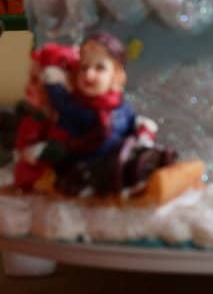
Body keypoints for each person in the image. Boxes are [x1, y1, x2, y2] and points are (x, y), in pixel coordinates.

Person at [39, 32, 178, 198]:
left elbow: (130, 125)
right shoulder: (75, 106)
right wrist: (53, 83)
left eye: (100, 68)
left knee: (139, 157)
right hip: (86, 163)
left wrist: (142, 128)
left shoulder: (120, 106)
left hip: (118, 156)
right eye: (84, 67)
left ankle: (153, 169)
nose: (89, 74)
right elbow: (59, 103)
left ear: (115, 75)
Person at [12, 44, 79, 193]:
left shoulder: (67, 117)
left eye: (35, 80)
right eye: (28, 78)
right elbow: (25, 147)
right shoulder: (36, 118)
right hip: (34, 180)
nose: (27, 87)